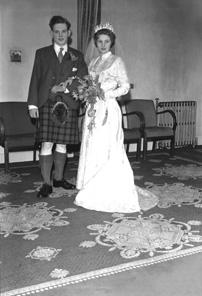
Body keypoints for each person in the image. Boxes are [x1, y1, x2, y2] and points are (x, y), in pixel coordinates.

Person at [74, 22, 158, 213]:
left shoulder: (116, 61)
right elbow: (89, 83)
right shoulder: (93, 63)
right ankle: (91, 182)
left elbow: (125, 87)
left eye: (106, 41)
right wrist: (90, 93)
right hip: (93, 108)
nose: (103, 45)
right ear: (96, 43)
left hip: (109, 109)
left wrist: (107, 94)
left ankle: (109, 185)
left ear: (111, 43)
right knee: (92, 142)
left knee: (108, 143)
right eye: (100, 41)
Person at [27, 15, 88, 198]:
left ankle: (59, 179)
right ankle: (46, 183)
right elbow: (35, 79)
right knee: (47, 143)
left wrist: (66, 88)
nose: (60, 35)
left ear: (69, 33)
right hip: (47, 102)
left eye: (64, 31)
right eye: (56, 31)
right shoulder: (41, 53)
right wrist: (32, 104)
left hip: (68, 104)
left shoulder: (77, 56)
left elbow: (83, 80)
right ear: (51, 33)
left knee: (62, 144)